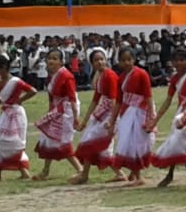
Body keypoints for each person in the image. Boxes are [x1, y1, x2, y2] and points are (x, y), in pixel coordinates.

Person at [150, 48, 186, 187]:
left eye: (182, 60)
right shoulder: (175, 78)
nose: (178, 63)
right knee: (175, 142)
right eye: (176, 60)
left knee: (179, 145)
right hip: (182, 111)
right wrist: (155, 120)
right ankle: (172, 175)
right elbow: (168, 100)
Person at [70, 49, 124, 184]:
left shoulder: (109, 76)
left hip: (109, 115)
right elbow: (95, 100)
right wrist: (85, 120)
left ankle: (85, 175)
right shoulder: (100, 76)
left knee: (92, 142)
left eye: (102, 59)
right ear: (92, 63)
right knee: (95, 144)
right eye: (96, 60)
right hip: (102, 115)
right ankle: (118, 173)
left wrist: (112, 120)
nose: (100, 62)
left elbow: (113, 100)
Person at [0, 54, 37, 179]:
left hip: (16, 115)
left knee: (13, 142)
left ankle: (22, 171)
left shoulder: (16, 82)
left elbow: (32, 91)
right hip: (5, 114)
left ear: (3, 67)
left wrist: (19, 100)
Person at [109, 47, 157, 187]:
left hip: (140, 111)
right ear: (119, 62)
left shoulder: (141, 74)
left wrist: (151, 115)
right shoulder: (121, 78)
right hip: (127, 113)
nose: (126, 63)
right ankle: (134, 173)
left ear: (134, 60)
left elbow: (148, 96)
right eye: (123, 60)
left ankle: (138, 176)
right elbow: (118, 101)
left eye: (129, 59)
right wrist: (112, 120)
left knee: (137, 144)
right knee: (127, 143)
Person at [33, 48, 81, 180]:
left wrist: (76, 117)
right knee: (48, 138)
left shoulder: (66, 76)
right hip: (57, 109)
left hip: (67, 110)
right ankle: (45, 170)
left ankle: (80, 169)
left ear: (61, 62)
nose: (51, 61)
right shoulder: (52, 76)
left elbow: (72, 98)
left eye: (55, 59)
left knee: (62, 141)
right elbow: (51, 98)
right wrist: (50, 113)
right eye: (50, 58)